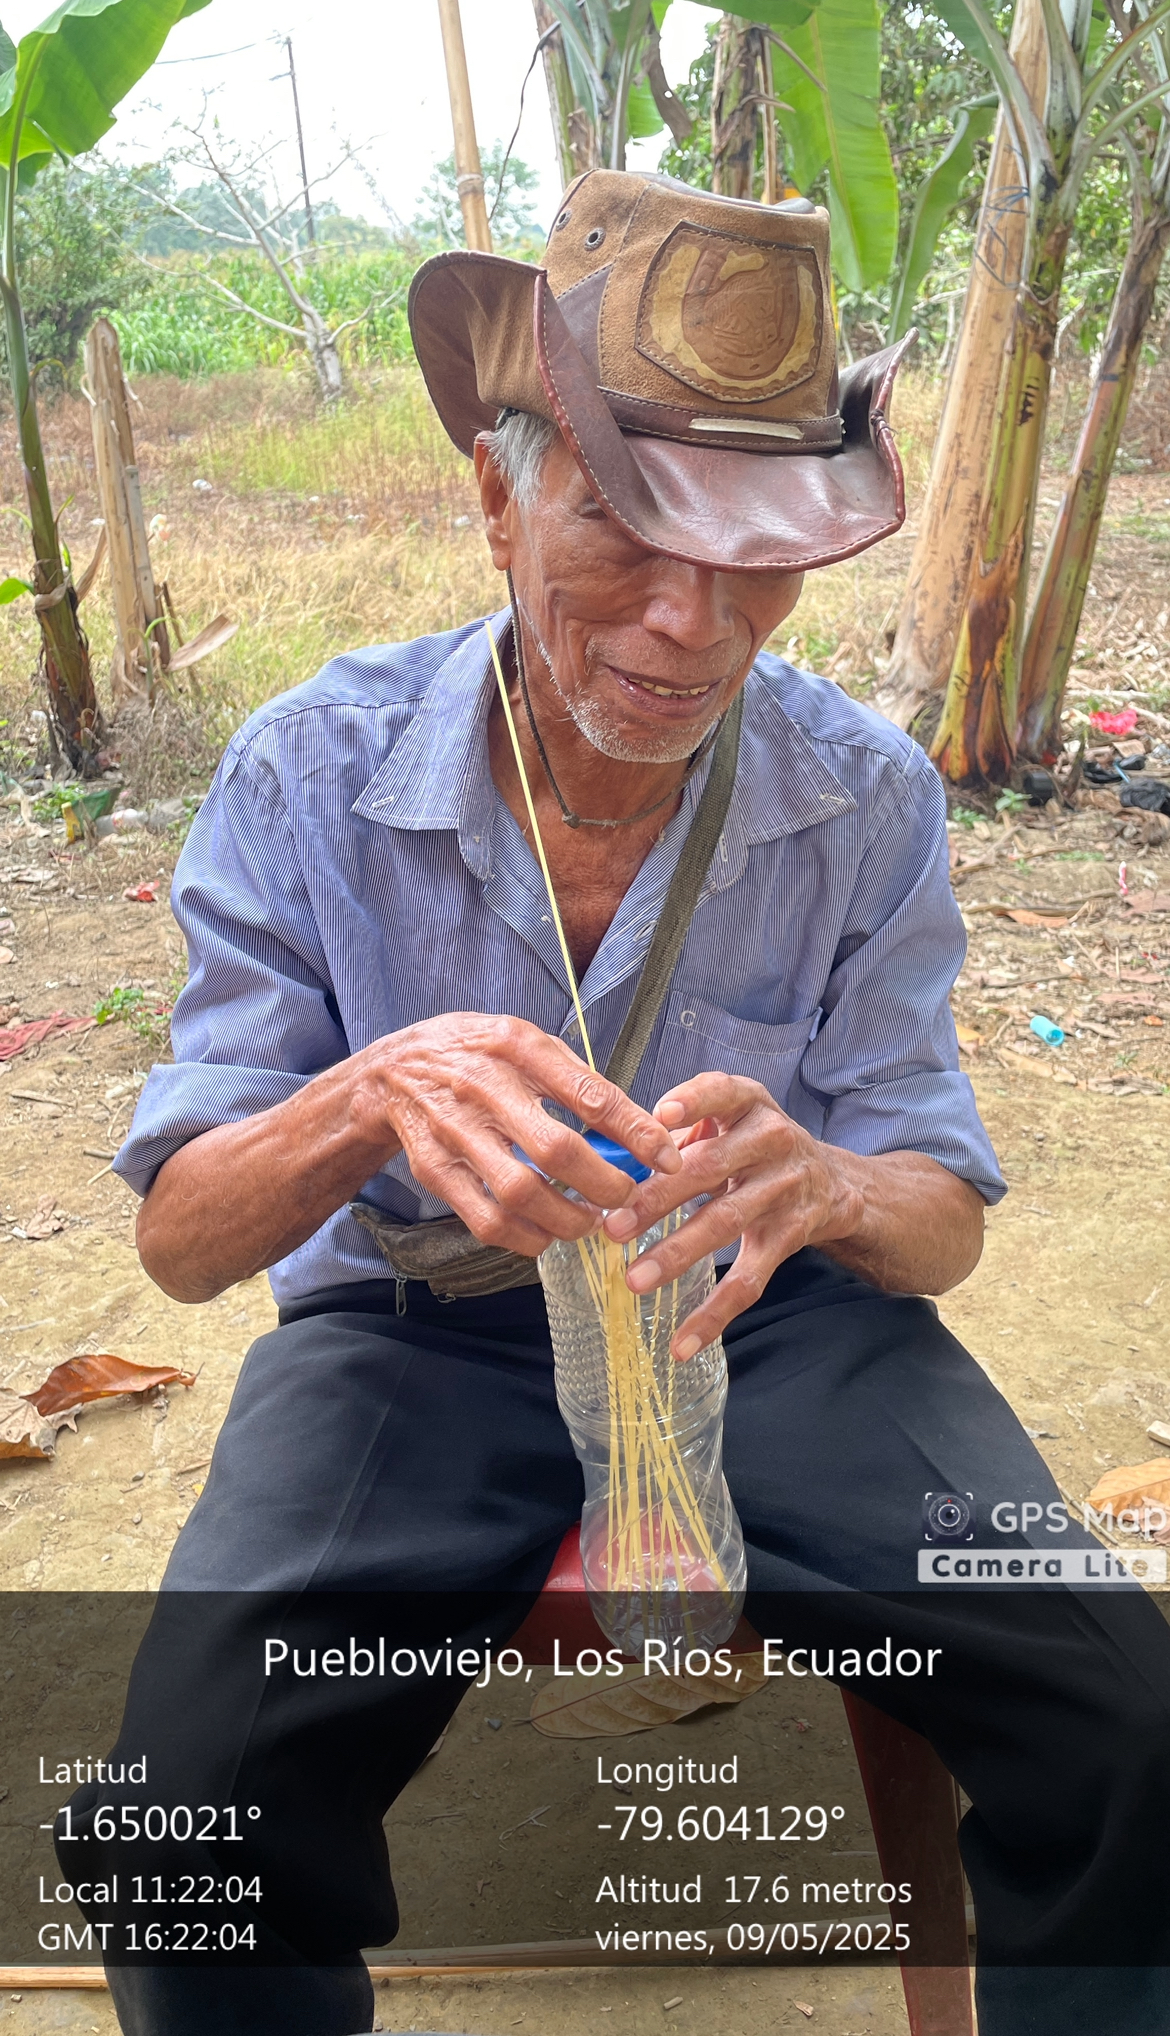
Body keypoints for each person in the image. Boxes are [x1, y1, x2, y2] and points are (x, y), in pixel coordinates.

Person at [66, 172, 1169, 2036]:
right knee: (185, 1817)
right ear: (496, 497)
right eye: (622, 525)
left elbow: (937, 1220)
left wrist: (827, 1187)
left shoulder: (863, 795)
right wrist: (368, 1097)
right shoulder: (309, 773)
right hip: (417, 1335)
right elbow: (184, 1245)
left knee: (1128, 1725)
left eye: (756, 557)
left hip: (778, 1325)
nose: (689, 624)